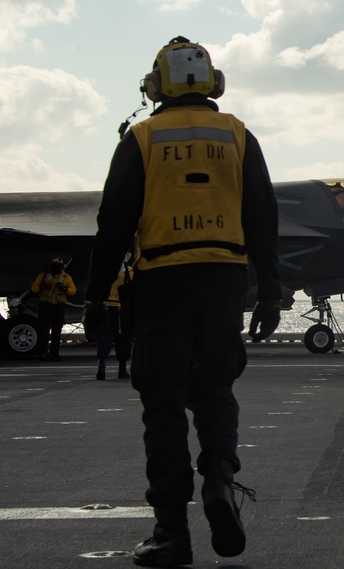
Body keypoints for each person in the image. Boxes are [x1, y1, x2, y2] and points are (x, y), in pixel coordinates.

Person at [83, 36, 283, 567]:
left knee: (164, 409)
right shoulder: (238, 136)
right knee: (216, 392)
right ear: (213, 81)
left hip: (160, 287)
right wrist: (271, 292)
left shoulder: (143, 138)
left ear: (156, 86)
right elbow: (264, 218)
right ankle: (218, 479)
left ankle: (171, 532)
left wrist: (95, 298)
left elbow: (113, 225)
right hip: (223, 285)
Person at [31, 257, 76, 361]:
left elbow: (73, 291)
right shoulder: (43, 277)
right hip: (45, 304)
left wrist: (64, 288)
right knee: (44, 330)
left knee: (56, 330)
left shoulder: (66, 277)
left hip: (58, 305)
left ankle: (54, 353)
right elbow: (34, 288)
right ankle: (43, 352)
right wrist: (43, 287)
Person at [95, 263, 132, 380]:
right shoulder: (129, 271)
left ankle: (101, 368)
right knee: (123, 338)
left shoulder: (104, 268)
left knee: (104, 337)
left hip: (105, 307)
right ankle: (122, 370)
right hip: (121, 308)